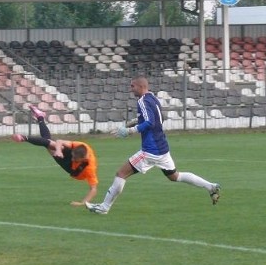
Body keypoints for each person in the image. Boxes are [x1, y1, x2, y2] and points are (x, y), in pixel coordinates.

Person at [88, 75, 220, 215]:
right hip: (162, 148)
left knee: (121, 174)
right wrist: (127, 125)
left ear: (141, 86)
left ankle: (104, 207)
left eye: (133, 86)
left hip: (150, 151)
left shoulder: (142, 101)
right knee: (175, 176)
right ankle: (210, 186)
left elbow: (149, 122)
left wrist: (129, 131)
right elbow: (154, 118)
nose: (130, 89)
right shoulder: (153, 99)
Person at [12, 104, 98, 206]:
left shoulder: (89, 168)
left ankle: (40, 117)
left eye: (75, 158)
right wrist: (59, 151)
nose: (73, 158)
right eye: (73, 156)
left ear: (83, 159)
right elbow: (60, 141)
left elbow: (93, 189)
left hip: (73, 170)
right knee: (51, 144)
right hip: (67, 155)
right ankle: (24, 138)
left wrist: (82, 203)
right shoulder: (80, 146)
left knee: (47, 142)